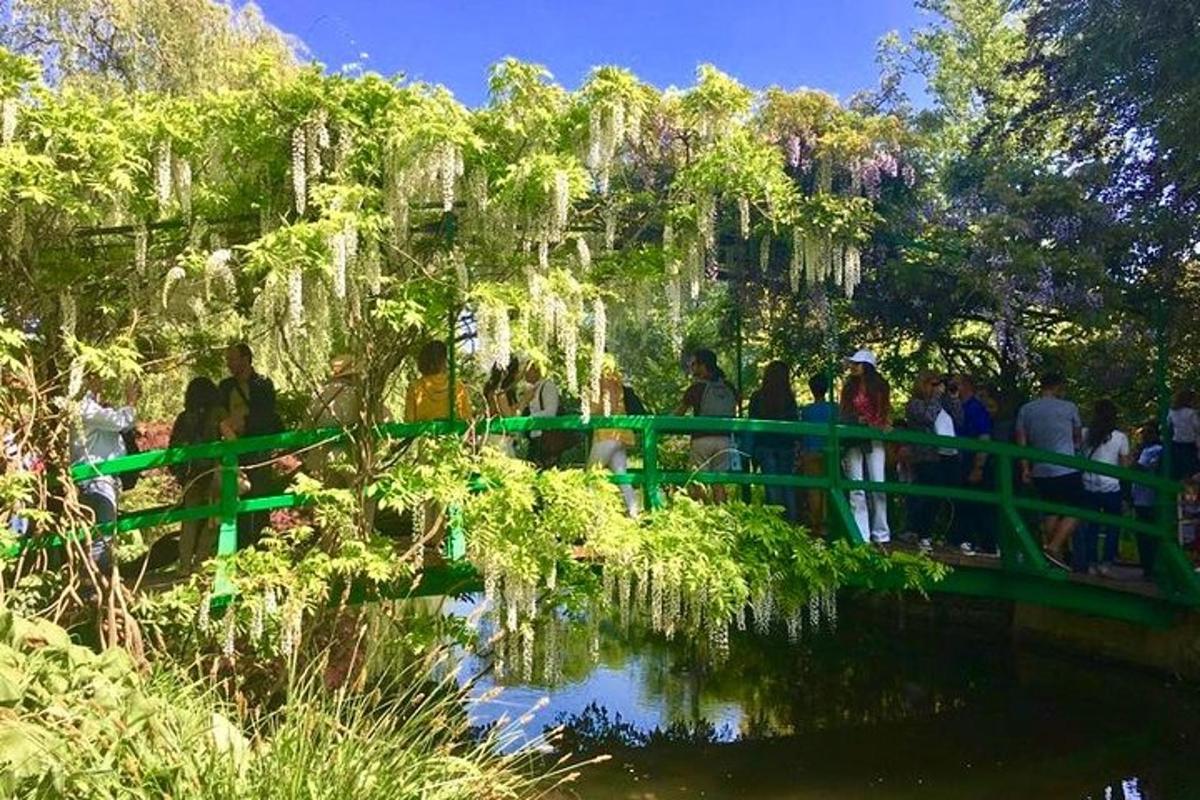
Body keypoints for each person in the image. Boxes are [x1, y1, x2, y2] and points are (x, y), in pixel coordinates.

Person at [71, 372, 140, 570]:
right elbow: (121, 422)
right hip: (96, 478)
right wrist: (131, 401)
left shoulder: (93, 407)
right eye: (95, 376)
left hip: (102, 477)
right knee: (103, 536)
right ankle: (92, 586)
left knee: (103, 534)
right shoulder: (85, 407)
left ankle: (98, 583)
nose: (101, 379)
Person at [1015, 371, 1083, 569]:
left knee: (1050, 511)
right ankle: (1053, 547)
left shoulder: (1027, 409)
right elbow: (1077, 438)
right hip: (1066, 466)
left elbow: (1021, 441)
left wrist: (1025, 467)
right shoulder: (1069, 407)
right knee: (1078, 508)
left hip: (1040, 469)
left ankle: (1053, 553)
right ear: (1058, 387)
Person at [218, 342, 282, 549]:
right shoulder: (225, 387)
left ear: (245, 359)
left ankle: (264, 545)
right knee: (236, 494)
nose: (229, 364)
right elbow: (219, 412)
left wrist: (245, 423)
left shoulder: (262, 385)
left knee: (261, 495)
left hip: (258, 448)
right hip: (234, 449)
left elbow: (266, 416)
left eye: (232, 359)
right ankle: (241, 544)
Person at [168, 376, 226, 574]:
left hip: (192, 474)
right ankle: (202, 560)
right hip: (213, 471)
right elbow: (230, 435)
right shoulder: (218, 414)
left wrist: (179, 472)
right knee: (214, 518)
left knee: (189, 521)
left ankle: (184, 565)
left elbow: (173, 448)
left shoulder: (184, 417)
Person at [839, 349, 891, 544]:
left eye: (857, 364)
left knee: (878, 484)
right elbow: (844, 413)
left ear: (866, 367)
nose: (853, 367)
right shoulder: (848, 388)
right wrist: (857, 421)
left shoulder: (880, 387)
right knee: (856, 486)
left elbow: (884, 413)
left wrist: (878, 423)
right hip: (854, 438)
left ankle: (881, 533)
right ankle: (861, 535)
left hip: (874, 437)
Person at [675, 349, 738, 504]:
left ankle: (701, 512)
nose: (692, 368)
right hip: (725, 440)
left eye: (694, 364)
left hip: (702, 439)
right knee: (719, 482)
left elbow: (679, 414)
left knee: (698, 480)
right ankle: (721, 514)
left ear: (703, 366)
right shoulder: (729, 387)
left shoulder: (697, 388)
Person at [905, 372, 959, 550]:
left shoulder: (941, 403)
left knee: (944, 496)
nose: (937, 388)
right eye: (933, 384)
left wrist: (952, 397)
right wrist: (936, 396)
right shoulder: (915, 404)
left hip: (947, 455)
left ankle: (941, 535)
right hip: (926, 456)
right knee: (930, 495)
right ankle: (922, 533)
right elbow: (928, 418)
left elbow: (959, 419)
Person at [1077, 398, 1131, 576]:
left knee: (1091, 526)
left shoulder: (1085, 434)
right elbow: (1125, 467)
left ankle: (1091, 561)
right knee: (1113, 526)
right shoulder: (1120, 437)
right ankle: (1106, 562)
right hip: (1111, 486)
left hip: (1088, 484)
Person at [747, 360, 799, 522]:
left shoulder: (758, 397)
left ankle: (775, 521)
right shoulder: (789, 399)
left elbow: (752, 422)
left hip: (765, 445)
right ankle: (791, 522)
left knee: (772, 485)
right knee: (787, 484)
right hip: (786, 446)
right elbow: (794, 423)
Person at [952, 374, 997, 556]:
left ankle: (988, 545)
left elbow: (984, 437)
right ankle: (965, 541)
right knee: (965, 503)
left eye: (957, 384)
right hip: (962, 461)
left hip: (975, 462)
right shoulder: (958, 407)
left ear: (966, 386)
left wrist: (978, 466)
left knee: (979, 505)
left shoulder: (976, 408)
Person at [589, 356, 638, 516]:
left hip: (606, 435)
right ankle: (634, 514)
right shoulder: (615, 376)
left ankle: (592, 517)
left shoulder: (602, 376)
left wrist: (590, 409)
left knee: (591, 475)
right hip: (620, 433)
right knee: (621, 475)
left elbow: (605, 405)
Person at [304, 353, 363, 480]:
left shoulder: (318, 393)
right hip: (345, 459)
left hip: (317, 459)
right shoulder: (355, 393)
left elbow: (306, 425)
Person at [798, 373, 837, 536]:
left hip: (811, 452)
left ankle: (816, 523)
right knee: (829, 488)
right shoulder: (835, 409)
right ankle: (827, 524)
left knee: (814, 490)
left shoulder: (807, 411)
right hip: (830, 453)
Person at [404, 340, 472, 423]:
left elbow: (409, 423)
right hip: (453, 436)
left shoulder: (415, 387)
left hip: (423, 435)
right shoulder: (458, 387)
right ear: (444, 360)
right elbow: (468, 422)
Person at [1131, 421, 1164, 579]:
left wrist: (1131, 461)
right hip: (1140, 497)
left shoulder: (1157, 450)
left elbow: (1142, 468)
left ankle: (1151, 567)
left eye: (1148, 433)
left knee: (1149, 535)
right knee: (1143, 534)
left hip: (1150, 498)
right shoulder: (1145, 450)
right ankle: (1147, 567)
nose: (1144, 436)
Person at [521, 359, 562, 468]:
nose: (525, 374)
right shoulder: (533, 388)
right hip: (535, 438)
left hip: (546, 438)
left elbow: (550, 412)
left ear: (537, 371)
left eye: (528, 370)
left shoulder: (547, 386)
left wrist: (529, 419)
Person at [482, 356, 521, 456]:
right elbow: (510, 421)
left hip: (488, 437)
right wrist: (524, 402)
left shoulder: (491, 390)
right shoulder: (501, 395)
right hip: (500, 440)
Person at [1168, 389, 1200, 480]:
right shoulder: (1191, 413)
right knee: (1192, 468)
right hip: (1190, 442)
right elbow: (1197, 427)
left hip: (1177, 441)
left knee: (1179, 467)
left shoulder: (1172, 411)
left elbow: (1168, 423)